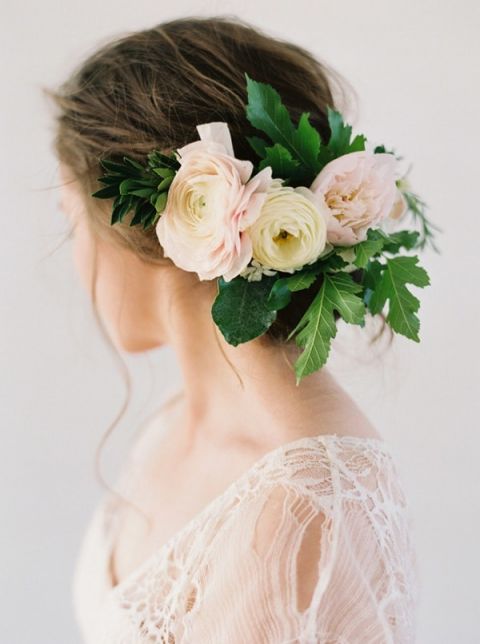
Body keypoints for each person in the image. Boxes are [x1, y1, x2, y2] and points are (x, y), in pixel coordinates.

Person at [47, 15, 421, 643]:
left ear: (144, 229)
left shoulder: (308, 506)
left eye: (72, 221)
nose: (75, 258)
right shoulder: (176, 418)